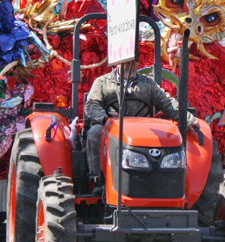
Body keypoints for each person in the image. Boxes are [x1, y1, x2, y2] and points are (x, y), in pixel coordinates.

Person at [84, 59, 197, 192]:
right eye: (127, 63)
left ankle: (161, 182)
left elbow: (166, 102)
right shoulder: (102, 82)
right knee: (94, 133)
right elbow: (91, 105)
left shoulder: (147, 83)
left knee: (163, 136)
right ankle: (98, 179)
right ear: (117, 63)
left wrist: (188, 119)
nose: (131, 67)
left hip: (141, 129)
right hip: (109, 126)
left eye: (135, 63)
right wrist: (105, 119)